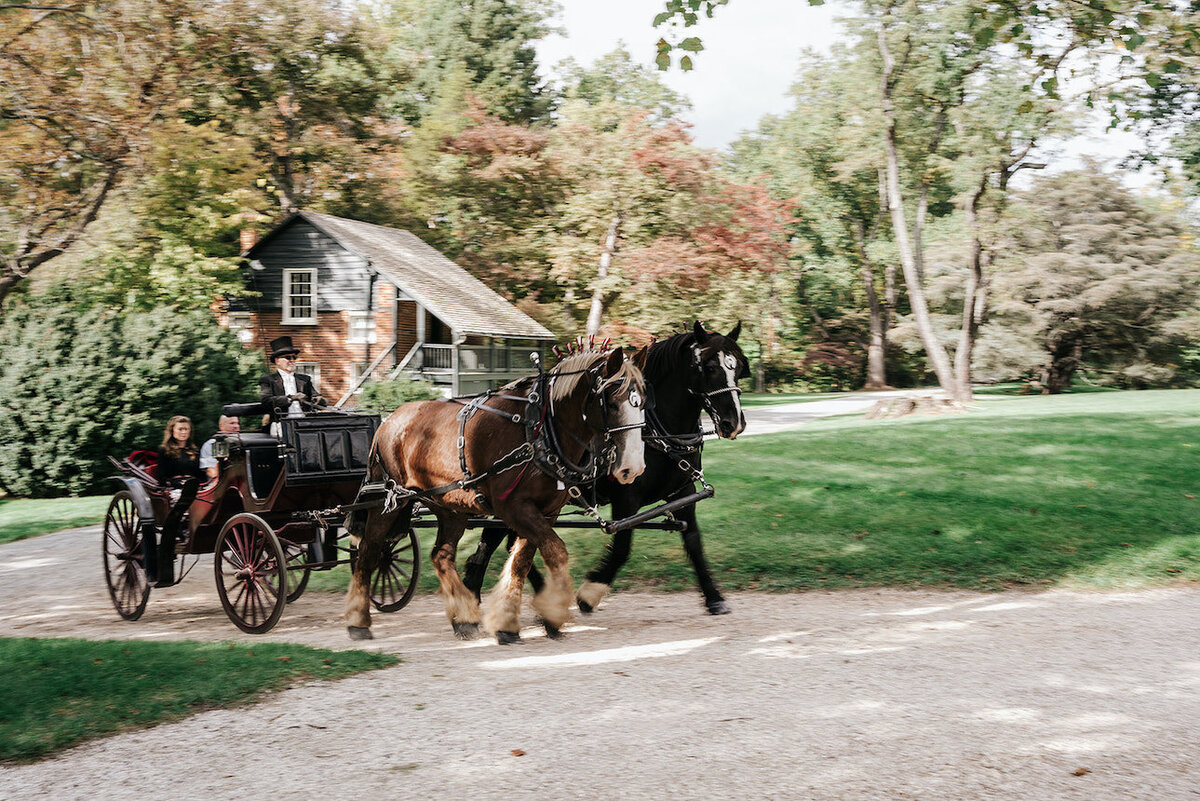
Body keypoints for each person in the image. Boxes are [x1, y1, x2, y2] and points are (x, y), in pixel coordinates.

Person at [144, 415, 202, 586]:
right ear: (172, 431)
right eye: (180, 429)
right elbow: (162, 476)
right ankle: (181, 530)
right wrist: (172, 485)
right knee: (180, 497)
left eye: (186, 429)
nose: (184, 432)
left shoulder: (194, 450)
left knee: (205, 498)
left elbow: (199, 474)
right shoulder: (165, 450)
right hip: (174, 486)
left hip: (194, 485)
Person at [258, 335, 326, 421]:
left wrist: (318, 399)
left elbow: (316, 397)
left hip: (304, 422)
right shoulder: (268, 380)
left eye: (294, 357)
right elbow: (266, 401)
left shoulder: (304, 379)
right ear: (277, 360)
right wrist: (291, 398)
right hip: (280, 423)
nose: (292, 360)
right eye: (288, 357)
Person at [198, 414, 240, 479]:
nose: (236, 426)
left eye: (237, 423)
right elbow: (212, 472)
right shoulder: (212, 444)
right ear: (221, 426)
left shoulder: (243, 444)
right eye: (232, 423)